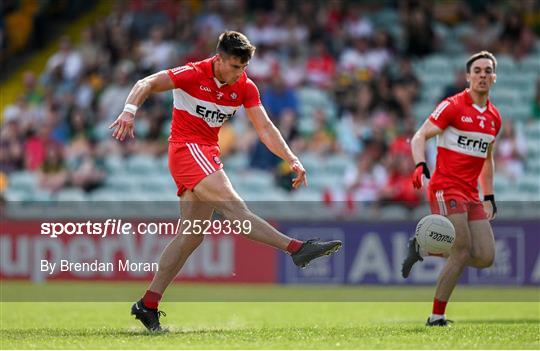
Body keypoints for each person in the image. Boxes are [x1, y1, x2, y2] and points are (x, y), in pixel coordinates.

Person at [109, 31, 342, 332]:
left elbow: (265, 128)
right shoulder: (193, 73)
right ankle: (297, 249)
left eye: (243, 68)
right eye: (234, 67)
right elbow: (146, 83)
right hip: (185, 149)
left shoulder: (244, 86)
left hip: (208, 153)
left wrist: (291, 158)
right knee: (235, 209)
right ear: (218, 59)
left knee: (191, 236)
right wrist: (129, 111)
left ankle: (148, 304)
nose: (239, 74)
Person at [402, 51, 502, 326]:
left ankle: (423, 246)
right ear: (468, 77)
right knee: (461, 251)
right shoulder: (452, 106)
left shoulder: (494, 117)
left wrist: (489, 195)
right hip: (446, 187)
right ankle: (436, 317)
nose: (482, 75)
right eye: (477, 70)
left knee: (485, 257)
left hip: (471, 193)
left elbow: (487, 159)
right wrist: (420, 164)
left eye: (487, 71)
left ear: (494, 77)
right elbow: (419, 136)